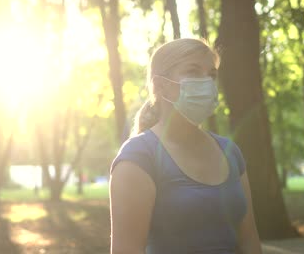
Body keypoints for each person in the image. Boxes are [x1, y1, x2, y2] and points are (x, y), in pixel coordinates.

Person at [109, 38, 262, 254]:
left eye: (211, 75)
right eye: (193, 71)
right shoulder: (139, 157)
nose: (207, 83)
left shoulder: (230, 152)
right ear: (160, 86)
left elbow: (249, 240)